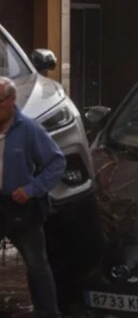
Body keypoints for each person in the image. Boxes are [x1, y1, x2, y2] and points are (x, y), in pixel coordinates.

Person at [0, 77, 66, 318]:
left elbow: (57, 162)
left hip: (21, 206)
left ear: (12, 100)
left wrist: (32, 189)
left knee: (37, 265)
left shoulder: (28, 129)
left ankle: (48, 312)